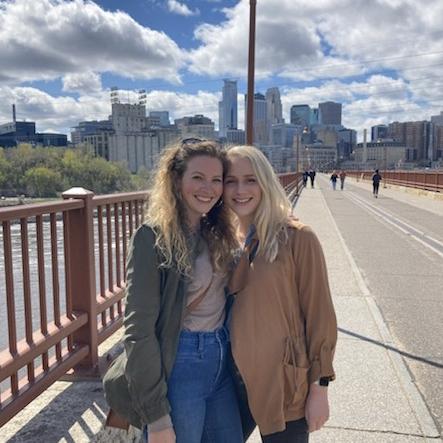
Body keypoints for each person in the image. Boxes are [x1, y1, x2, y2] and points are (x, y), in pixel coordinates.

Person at [103, 139, 243, 443]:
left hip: (221, 360)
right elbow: (138, 329)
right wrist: (156, 416)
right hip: (180, 363)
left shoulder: (215, 232)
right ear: (177, 181)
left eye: (216, 180)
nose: (208, 188)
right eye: (198, 177)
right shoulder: (152, 238)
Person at [224, 145, 337, 443]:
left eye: (250, 180)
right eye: (231, 181)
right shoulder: (223, 239)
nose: (240, 190)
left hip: (283, 383)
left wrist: (320, 388)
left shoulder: (297, 237)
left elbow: (320, 317)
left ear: (265, 181)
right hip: (229, 382)